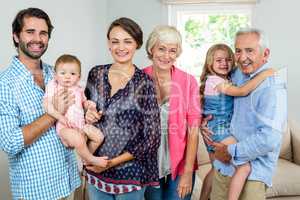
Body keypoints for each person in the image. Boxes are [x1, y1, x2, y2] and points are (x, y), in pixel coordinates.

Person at [0, 8, 80, 200]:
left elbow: (76, 111)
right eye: (30, 32)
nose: (37, 38)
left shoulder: (57, 73)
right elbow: (10, 142)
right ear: (16, 37)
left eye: (43, 33)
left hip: (68, 180)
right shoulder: (5, 83)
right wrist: (53, 113)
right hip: (37, 190)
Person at [201, 28, 287, 200]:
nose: (242, 57)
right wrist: (202, 122)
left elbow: (269, 138)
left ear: (265, 53)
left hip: (252, 175)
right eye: (238, 51)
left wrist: (231, 151)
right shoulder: (236, 74)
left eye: (250, 51)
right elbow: (218, 96)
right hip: (223, 167)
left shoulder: (273, 88)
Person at [83, 17, 161, 200]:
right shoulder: (96, 73)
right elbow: (81, 109)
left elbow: (152, 137)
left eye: (128, 41)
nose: (121, 47)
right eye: (115, 41)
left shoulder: (145, 82)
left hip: (130, 173)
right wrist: (88, 112)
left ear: (137, 44)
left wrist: (111, 163)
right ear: (108, 44)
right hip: (96, 170)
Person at [143, 25, 201, 200]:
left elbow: (193, 130)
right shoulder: (138, 78)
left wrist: (188, 172)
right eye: (161, 49)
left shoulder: (188, 81)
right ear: (151, 49)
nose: (166, 56)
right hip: (148, 166)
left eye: (172, 51)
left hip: (180, 165)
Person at [43, 54, 108, 167]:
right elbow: (46, 105)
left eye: (72, 74)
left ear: (78, 77)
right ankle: (91, 159)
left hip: (81, 125)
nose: (67, 77)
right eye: (63, 73)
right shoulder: (54, 86)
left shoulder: (79, 89)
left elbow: (84, 102)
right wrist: (60, 117)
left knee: (99, 136)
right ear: (55, 75)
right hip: (64, 127)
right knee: (78, 138)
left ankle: (86, 158)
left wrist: (90, 106)